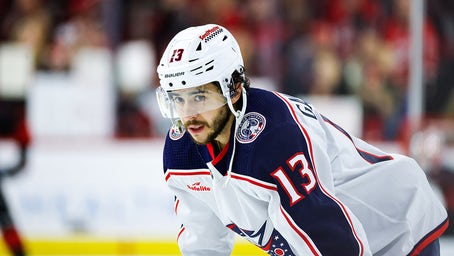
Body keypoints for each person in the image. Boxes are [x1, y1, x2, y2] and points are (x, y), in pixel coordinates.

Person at [155, 24, 449, 256]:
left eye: (199, 96)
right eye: (177, 99)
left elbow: (331, 240)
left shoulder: (273, 139)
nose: (188, 114)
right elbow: (203, 244)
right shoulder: (182, 152)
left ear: (233, 89)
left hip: (395, 224)